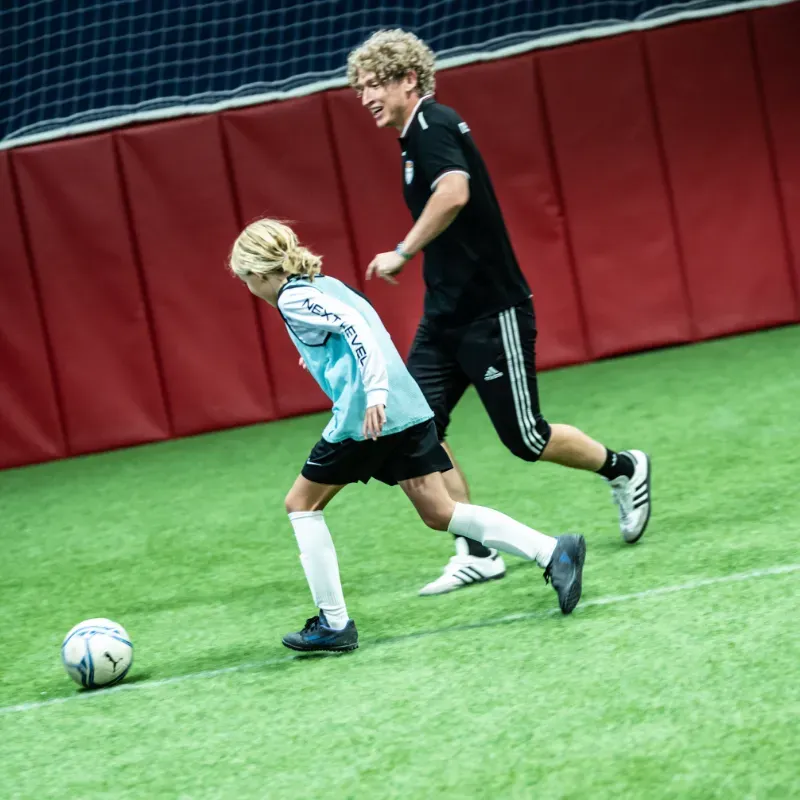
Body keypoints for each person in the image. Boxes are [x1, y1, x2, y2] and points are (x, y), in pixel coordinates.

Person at [346, 29, 652, 597]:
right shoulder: (412, 141)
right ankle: (477, 550)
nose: (364, 94)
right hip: (443, 319)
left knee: (527, 438)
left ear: (408, 79)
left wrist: (403, 250)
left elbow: (456, 191)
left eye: (374, 83)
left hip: (492, 313)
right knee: (418, 430)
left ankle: (624, 467)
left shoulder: (433, 125)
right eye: (358, 86)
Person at [228, 218, 586, 652]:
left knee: (300, 504)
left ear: (260, 273)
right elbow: (362, 321)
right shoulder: (323, 284)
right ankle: (554, 552)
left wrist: (374, 391)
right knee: (439, 511)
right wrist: (323, 360)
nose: (248, 289)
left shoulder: (294, 298)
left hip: (369, 419)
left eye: (245, 279)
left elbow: (357, 331)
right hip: (408, 410)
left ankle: (334, 624)